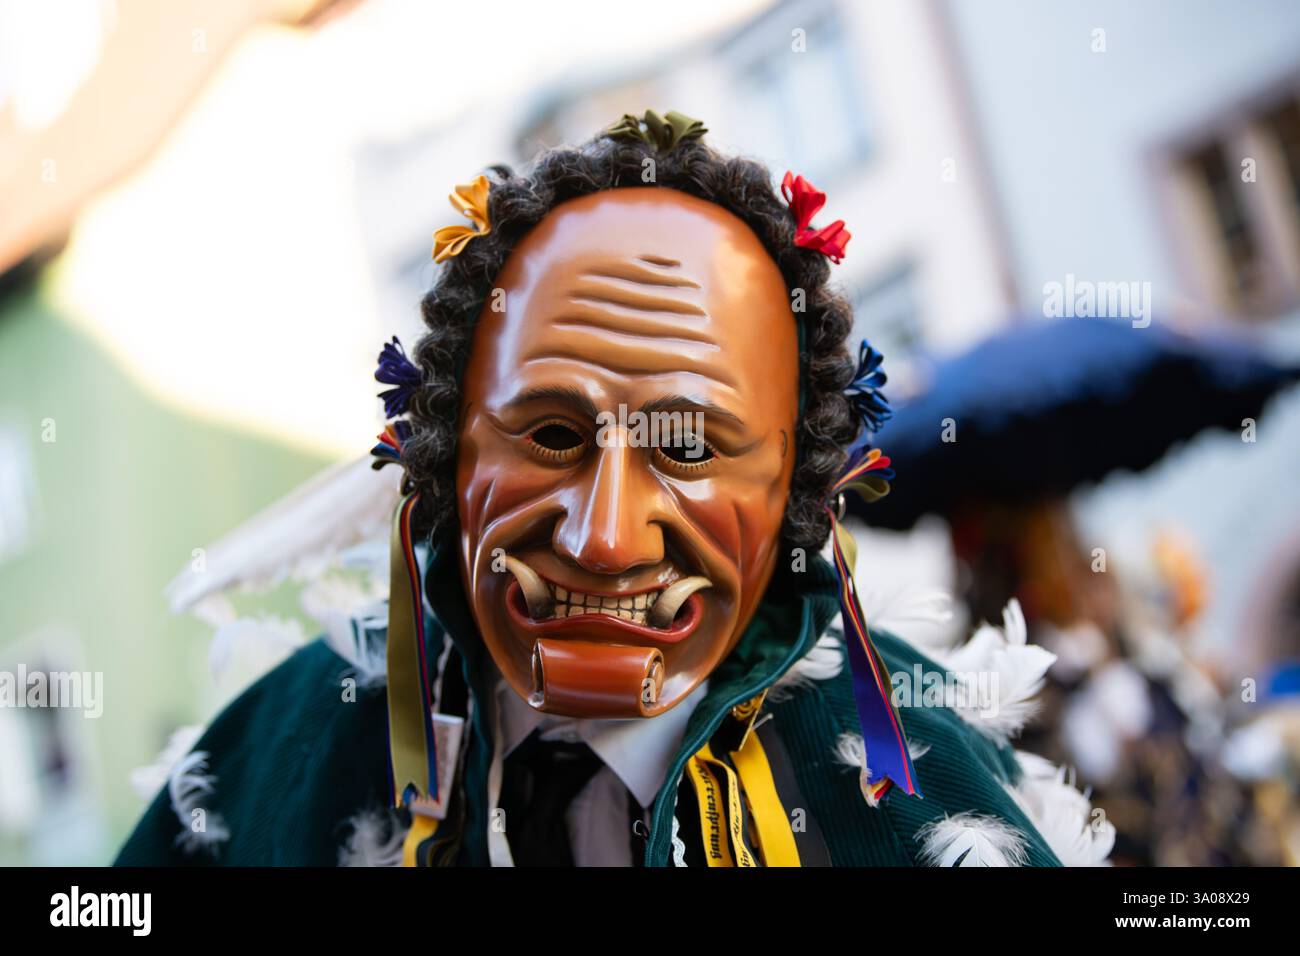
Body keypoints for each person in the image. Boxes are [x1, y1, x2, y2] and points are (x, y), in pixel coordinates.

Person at [117, 111, 1110, 867]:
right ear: (448, 459)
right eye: (550, 434)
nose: (603, 537)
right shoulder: (285, 759)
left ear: (792, 497)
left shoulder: (911, 796)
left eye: (687, 447)